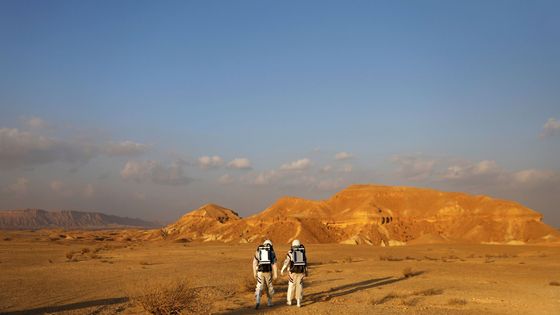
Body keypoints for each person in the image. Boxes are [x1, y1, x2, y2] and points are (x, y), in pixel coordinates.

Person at [281, 239, 308, 307]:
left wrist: (283, 269)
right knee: (299, 286)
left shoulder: (290, 252)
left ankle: (289, 301)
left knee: (291, 286)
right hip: (301, 272)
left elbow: (287, 261)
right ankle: (298, 302)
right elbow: (305, 263)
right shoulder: (302, 252)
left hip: (292, 272)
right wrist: (306, 271)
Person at [252, 239, 277, 309]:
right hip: (268, 272)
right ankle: (269, 302)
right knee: (269, 286)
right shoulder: (272, 252)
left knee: (259, 286)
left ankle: (257, 301)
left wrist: (254, 273)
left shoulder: (258, 251)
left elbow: (254, 262)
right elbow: (274, 263)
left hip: (260, 271)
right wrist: (275, 274)